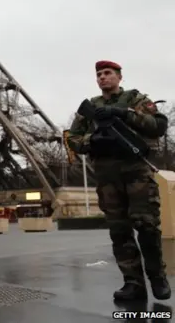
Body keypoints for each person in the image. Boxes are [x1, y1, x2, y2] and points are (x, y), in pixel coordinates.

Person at [66, 60, 170, 301]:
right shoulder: (91, 107)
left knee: (146, 226)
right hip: (106, 175)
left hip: (136, 171)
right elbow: (72, 137)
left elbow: (158, 126)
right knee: (119, 231)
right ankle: (133, 282)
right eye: (99, 74)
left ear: (119, 77)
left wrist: (123, 114)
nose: (103, 77)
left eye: (108, 73)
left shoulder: (136, 99)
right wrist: (93, 141)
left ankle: (157, 277)